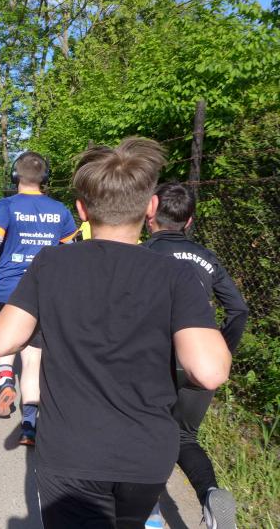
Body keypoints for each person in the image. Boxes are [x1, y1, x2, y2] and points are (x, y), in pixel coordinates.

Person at [0, 137, 231, 528]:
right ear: (150, 207)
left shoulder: (51, 263)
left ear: (82, 210)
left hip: (70, 452)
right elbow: (210, 372)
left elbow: (3, 341)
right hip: (145, 455)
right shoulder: (176, 275)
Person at [144, 182, 247, 529]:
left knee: (142, 428)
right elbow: (239, 310)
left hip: (155, 358)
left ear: (150, 213)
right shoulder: (207, 258)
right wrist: (221, 350)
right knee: (184, 437)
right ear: (189, 222)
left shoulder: (143, 254)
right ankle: (210, 495)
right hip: (201, 358)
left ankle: (149, 513)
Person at [0, 151, 76, 448]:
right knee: (33, 358)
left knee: (5, 341)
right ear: (44, 177)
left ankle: (5, 382)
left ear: (15, 176)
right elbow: (71, 248)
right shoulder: (59, 209)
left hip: (8, 288)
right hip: (44, 290)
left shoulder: (6, 205)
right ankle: (29, 426)